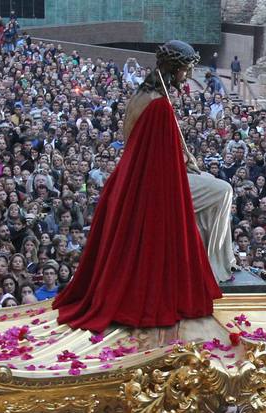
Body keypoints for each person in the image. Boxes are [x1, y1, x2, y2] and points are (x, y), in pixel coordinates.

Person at [52, 40, 225, 332]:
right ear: (175, 68)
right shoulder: (159, 107)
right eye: (186, 69)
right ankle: (218, 268)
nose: (187, 75)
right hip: (152, 186)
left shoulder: (143, 95)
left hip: (129, 179)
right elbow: (163, 160)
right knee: (221, 191)